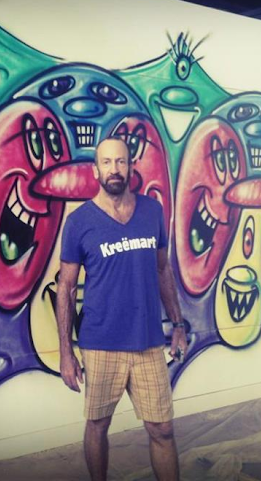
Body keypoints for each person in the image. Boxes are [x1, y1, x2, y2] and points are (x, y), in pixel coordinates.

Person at [56, 137, 188, 481]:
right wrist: (66, 353)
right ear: (96, 170)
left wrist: (178, 325)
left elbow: (163, 269)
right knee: (98, 425)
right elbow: (66, 287)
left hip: (147, 341)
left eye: (120, 161)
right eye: (106, 162)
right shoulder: (79, 222)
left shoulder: (152, 212)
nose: (114, 169)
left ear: (130, 167)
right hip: (100, 342)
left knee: (162, 429)